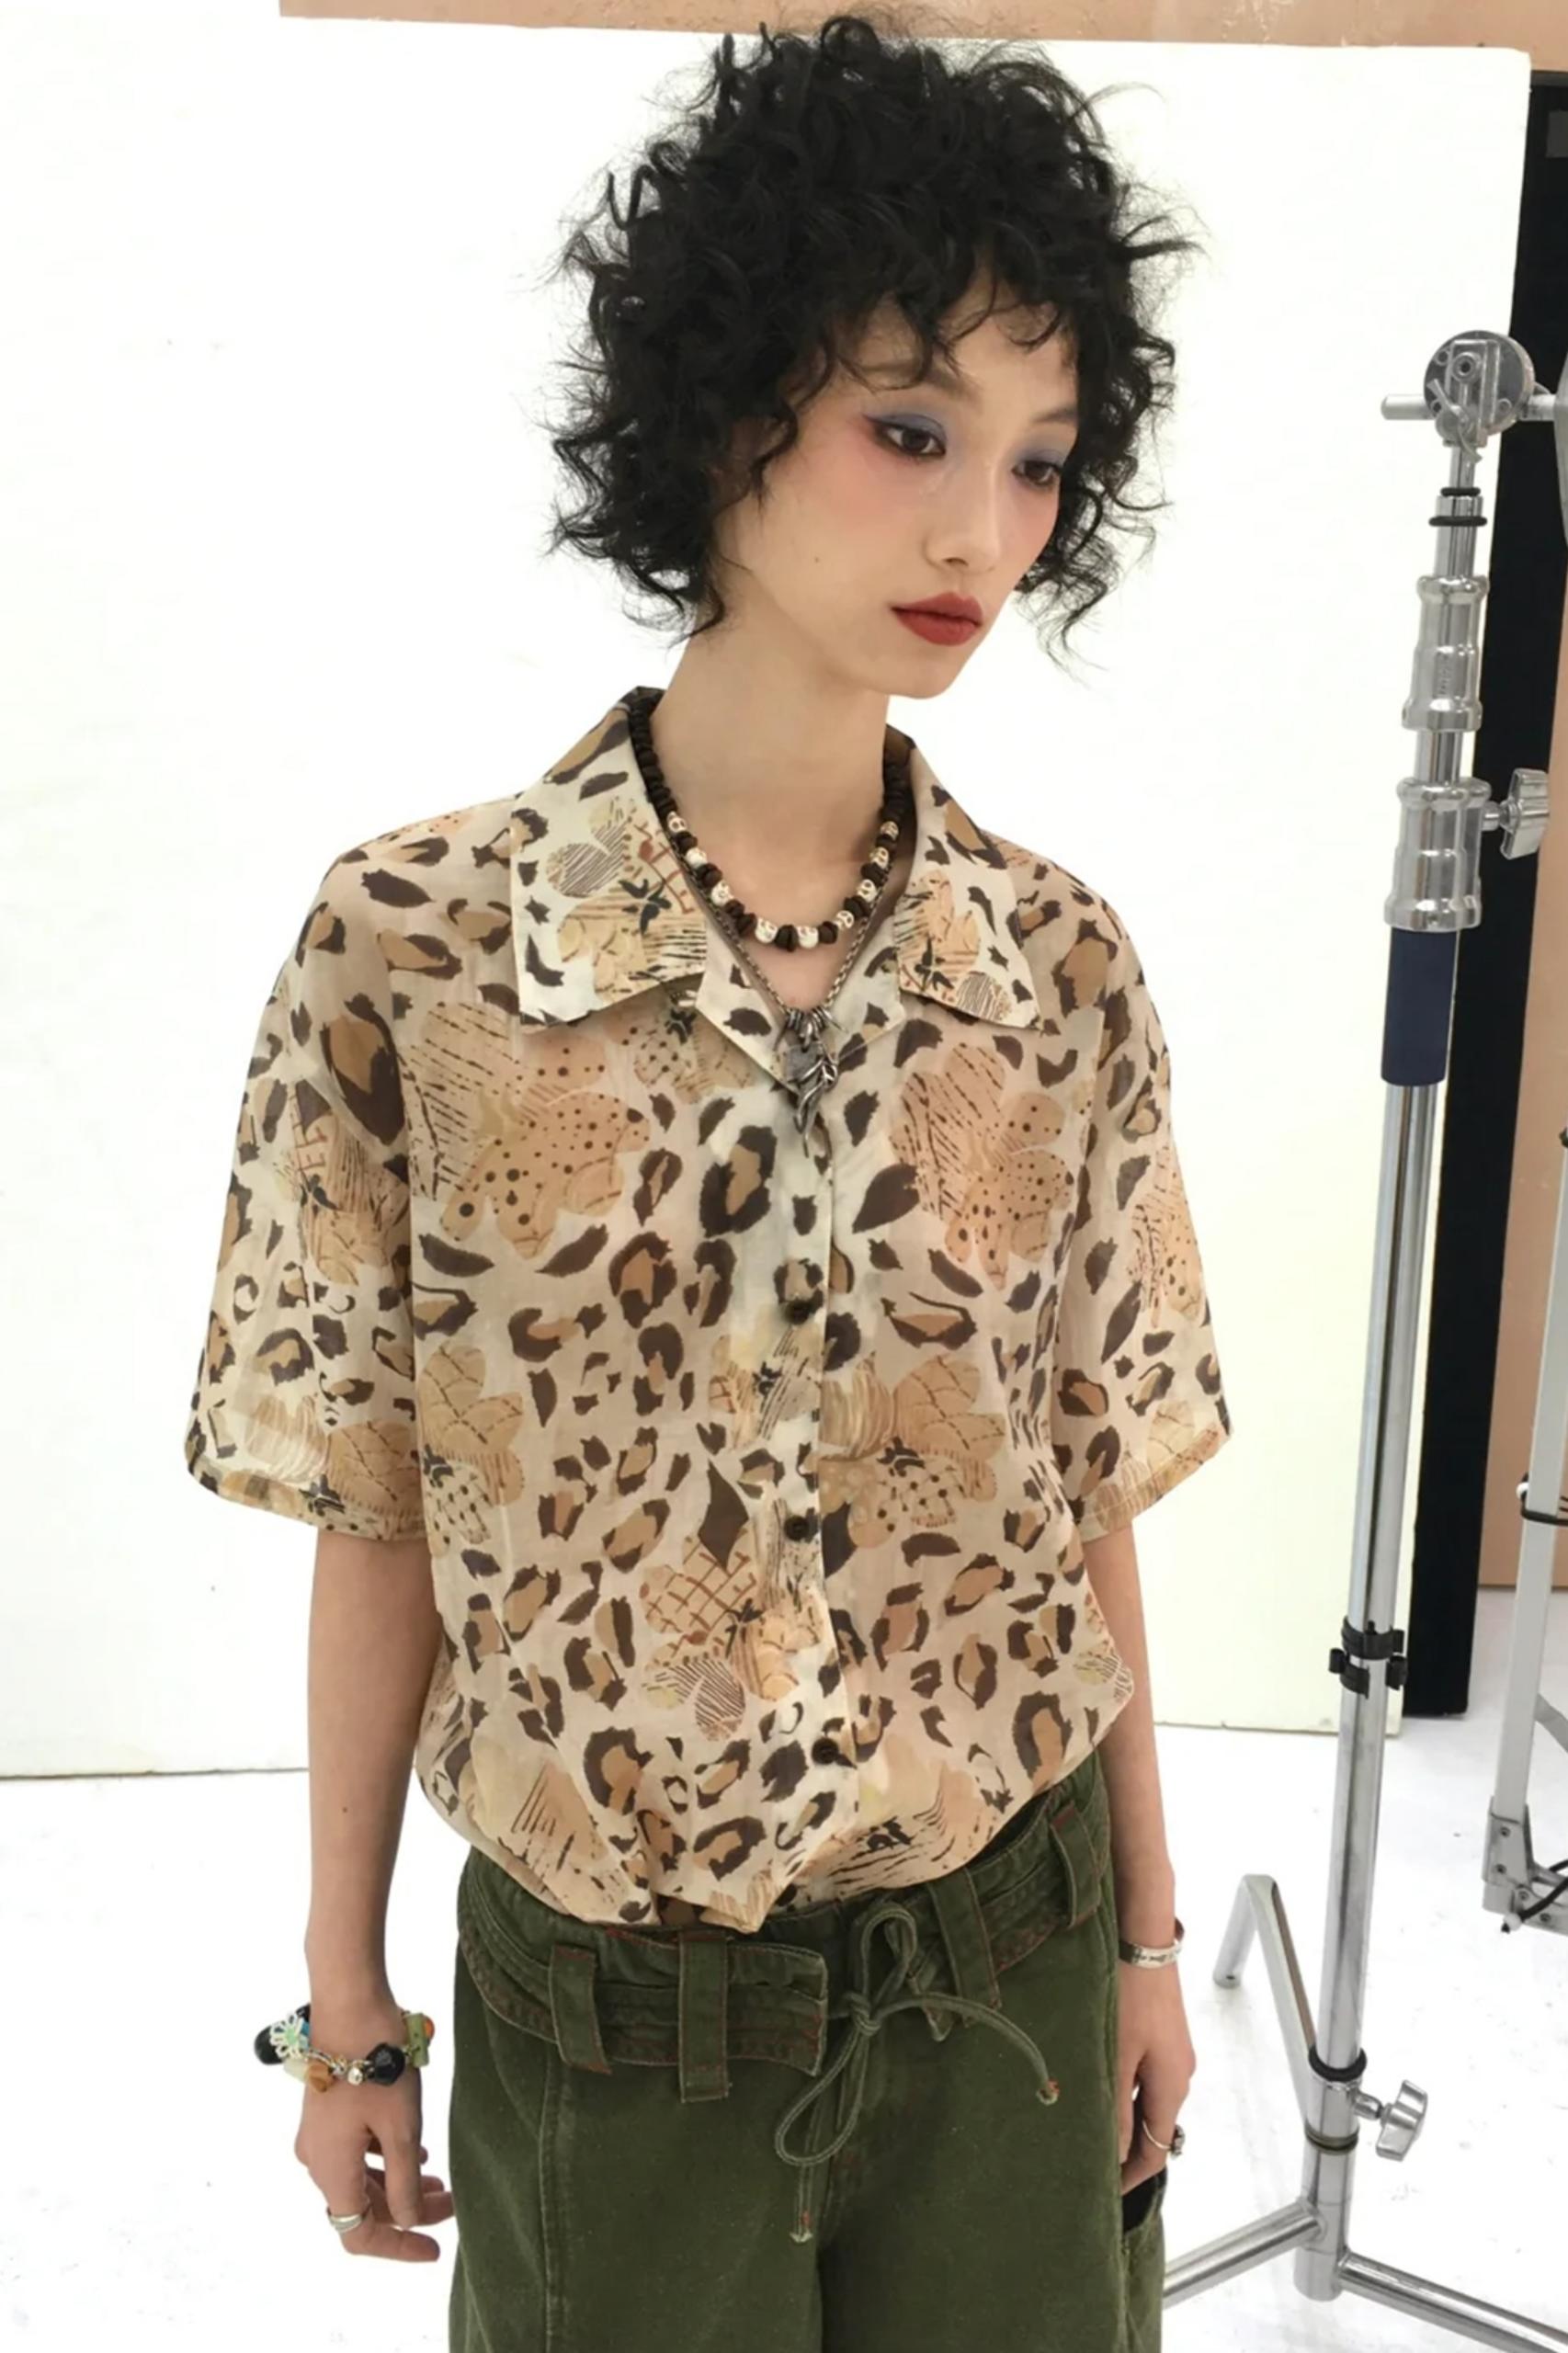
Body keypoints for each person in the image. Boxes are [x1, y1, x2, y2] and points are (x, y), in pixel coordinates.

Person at [184, 12, 1229, 2348]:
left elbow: (1088, 1490)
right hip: (613, 2038)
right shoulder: (417, 955)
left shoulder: (1055, 970)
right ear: (720, 405)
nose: (980, 534)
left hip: (1013, 1979)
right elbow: (380, 1503)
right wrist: (346, 2003)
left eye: (1041, 463)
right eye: (909, 429)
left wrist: (1148, 1939)